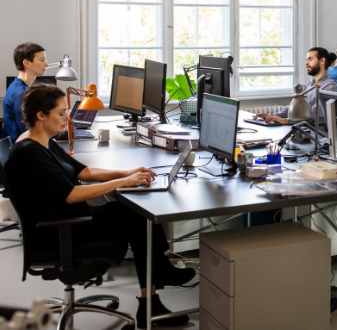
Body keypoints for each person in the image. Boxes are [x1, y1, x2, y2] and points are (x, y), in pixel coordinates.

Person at [3, 85, 195, 329]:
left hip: (63, 221)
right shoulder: (30, 153)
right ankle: (156, 287)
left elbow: (86, 171)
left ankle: (153, 293)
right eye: (61, 113)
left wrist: (127, 172)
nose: (67, 118)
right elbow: (71, 194)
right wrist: (123, 182)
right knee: (135, 217)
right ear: (41, 115)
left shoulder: (42, 142)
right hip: (58, 233)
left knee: (133, 213)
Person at [257, 47, 337, 124]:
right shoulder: (309, 84)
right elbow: (296, 108)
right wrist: (274, 115)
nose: (306, 63)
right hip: (300, 128)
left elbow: (317, 115)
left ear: (322, 61)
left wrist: (286, 121)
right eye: (307, 60)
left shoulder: (330, 86)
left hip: (315, 132)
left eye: (310, 59)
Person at [3, 42, 47, 141]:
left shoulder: (17, 86)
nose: (46, 64)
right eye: (42, 60)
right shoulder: (21, 93)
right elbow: (29, 130)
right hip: (24, 150)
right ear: (26, 63)